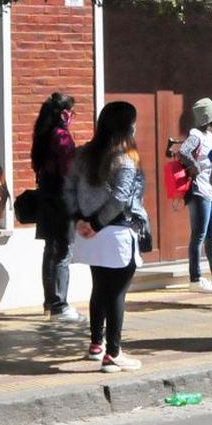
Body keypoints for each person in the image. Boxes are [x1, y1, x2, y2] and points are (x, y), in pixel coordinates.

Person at [66, 101, 148, 372]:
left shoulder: (83, 154)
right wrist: (97, 223)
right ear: (127, 126)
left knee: (100, 287)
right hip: (116, 232)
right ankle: (113, 353)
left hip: (89, 233)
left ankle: (96, 344)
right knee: (116, 293)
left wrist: (81, 219)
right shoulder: (124, 158)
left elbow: (69, 188)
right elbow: (120, 198)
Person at [30, 92, 80, 322]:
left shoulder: (42, 135)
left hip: (46, 197)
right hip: (62, 200)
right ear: (63, 113)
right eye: (72, 112)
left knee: (50, 251)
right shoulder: (61, 137)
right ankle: (60, 304)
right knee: (62, 252)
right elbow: (69, 170)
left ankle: (50, 302)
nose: (73, 117)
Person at [178, 97, 212, 293]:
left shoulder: (210, 137)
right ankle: (195, 278)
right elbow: (183, 152)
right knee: (199, 236)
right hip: (199, 191)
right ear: (210, 119)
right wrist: (194, 166)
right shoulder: (196, 135)